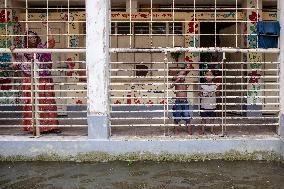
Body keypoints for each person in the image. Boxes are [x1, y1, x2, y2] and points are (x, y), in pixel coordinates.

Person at [10, 30, 60, 134]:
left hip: (44, 79)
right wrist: (13, 52)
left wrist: (48, 27)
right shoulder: (22, 51)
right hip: (30, 79)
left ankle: (51, 126)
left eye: (34, 37)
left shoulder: (41, 48)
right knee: (31, 103)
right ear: (26, 39)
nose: (33, 39)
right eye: (30, 37)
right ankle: (33, 128)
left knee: (47, 102)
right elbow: (16, 63)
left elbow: (51, 42)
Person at [170, 68, 193, 135]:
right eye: (180, 74)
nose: (182, 76)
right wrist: (177, 79)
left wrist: (184, 73)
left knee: (187, 115)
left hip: (185, 102)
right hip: (178, 102)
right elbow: (171, 86)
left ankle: (189, 129)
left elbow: (188, 71)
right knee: (177, 116)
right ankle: (176, 129)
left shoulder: (186, 83)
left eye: (183, 75)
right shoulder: (177, 83)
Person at [199, 70, 219, 135]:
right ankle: (202, 130)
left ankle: (212, 130)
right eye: (207, 74)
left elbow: (218, 94)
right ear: (205, 77)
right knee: (203, 118)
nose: (208, 76)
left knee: (212, 118)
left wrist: (218, 88)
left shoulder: (215, 85)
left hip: (212, 104)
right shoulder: (202, 85)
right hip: (204, 104)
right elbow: (199, 93)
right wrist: (201, 94)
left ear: (213, 77)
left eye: (210, 74)